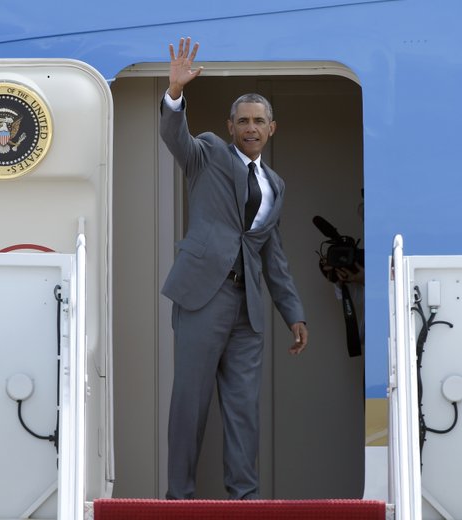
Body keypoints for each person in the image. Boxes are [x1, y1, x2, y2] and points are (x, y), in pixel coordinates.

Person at [160, 37, 309, 500]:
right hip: (204, 296)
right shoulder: (207, 153)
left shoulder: (275, 184)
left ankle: (243, 499)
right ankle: (178, 498)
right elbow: (174, 137)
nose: (250, 127)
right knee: (192, 403)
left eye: (258, 121)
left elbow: (272, 252)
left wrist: (293, 312)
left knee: (244, 408)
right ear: (229, 126)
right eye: (242, 120)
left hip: (248, 308)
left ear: (272, 129)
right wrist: (175, 95)